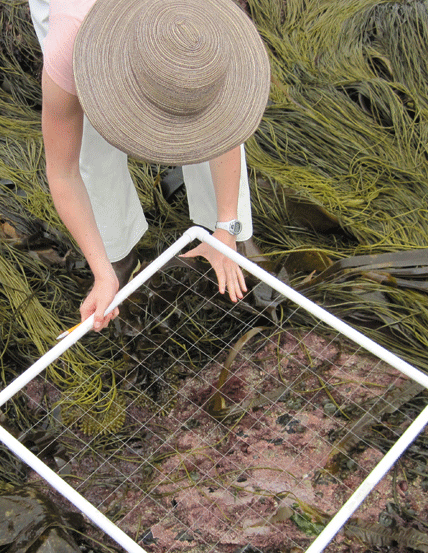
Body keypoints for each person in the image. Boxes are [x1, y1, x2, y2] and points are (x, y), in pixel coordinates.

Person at [29, 0, 270, 331]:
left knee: (200, 96)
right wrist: (101, 273)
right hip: (79, 18)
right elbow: (63, 172)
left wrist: (227, 226)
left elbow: (224, 122)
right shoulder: (70, 42)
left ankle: (231, 238)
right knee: (91, 145)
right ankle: (116, 255)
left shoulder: (209, 21)